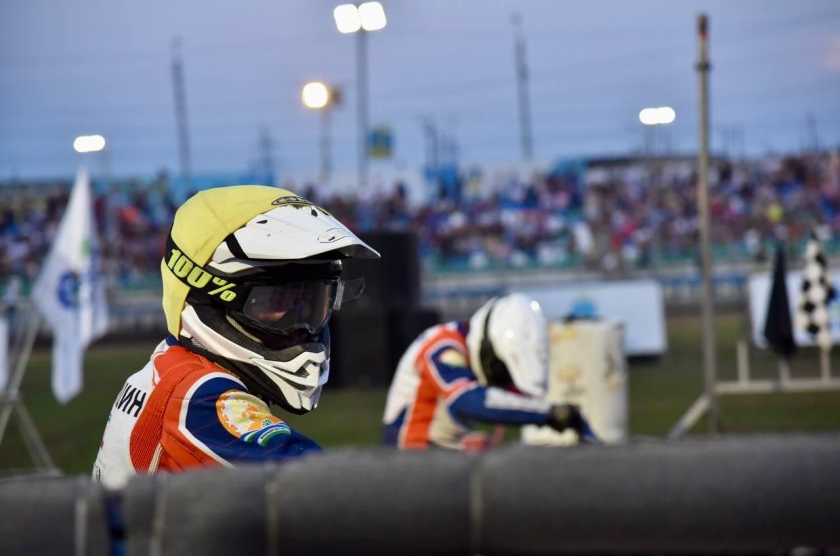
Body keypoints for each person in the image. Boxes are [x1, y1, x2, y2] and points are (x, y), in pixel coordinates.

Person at [92, 186, 379, 488]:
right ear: (213, 297)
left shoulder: (174, 367)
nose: (302, 327)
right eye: (276, 302)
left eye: (313, 302)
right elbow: (330, 488)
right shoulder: (195, 397)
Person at [382, 293, 592, 451]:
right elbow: (467, 400)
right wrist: (549, 414)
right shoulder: (442, 346)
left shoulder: (459, 347)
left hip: (438, 455)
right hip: (411, 462)